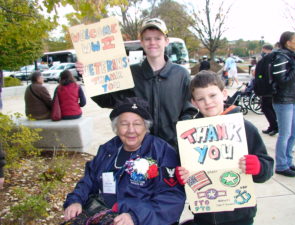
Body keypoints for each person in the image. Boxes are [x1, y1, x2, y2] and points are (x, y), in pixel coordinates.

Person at [76, 18, 197, 149]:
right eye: (147, 39)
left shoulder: (181, 74)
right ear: (141, 42)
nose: (152, 43)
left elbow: (189, 110)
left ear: (166, 41)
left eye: (157, 38)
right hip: (138, 149)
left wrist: (182, 136)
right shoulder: (130, 73)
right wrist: (90, 77)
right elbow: (107, 100)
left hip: (172, 148)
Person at [62, 97, 185, 225]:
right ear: (116, 127)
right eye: (124, 124)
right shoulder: (107, 149)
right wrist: (76, 200)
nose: (131, 130)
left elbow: (172, 198)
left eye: (137, 124)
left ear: (146, 126)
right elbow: (89, 180)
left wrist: (135, 217)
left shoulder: (163, 152)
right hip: (103, 213)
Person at [176, 71, 274, 225]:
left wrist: (258, 166)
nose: (208, 102)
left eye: (213, 95)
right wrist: (182, 176)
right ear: (194, 103)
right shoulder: (188, 134)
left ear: (224, 94)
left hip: (239, 214)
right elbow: (184, 168)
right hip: (204, 213)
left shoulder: (245, 128)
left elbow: (267, 167)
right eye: (201, 99)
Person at [271, 31, 295, 177]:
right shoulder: (281, 56)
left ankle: (288, 161)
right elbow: (282, 80)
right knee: (285, 134)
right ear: (288, 42)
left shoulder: (291, 56)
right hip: (283, 100)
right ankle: (281, 165)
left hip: (292, 100)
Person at [259, 44, 278, 136]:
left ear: (265, 49)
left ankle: (274, 126)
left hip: (268, 88)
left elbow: (265, 74)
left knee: (266, 107)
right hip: (270, 88)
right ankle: (272, 126)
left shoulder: (269, 60)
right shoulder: (273, 58)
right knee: (269, 108)